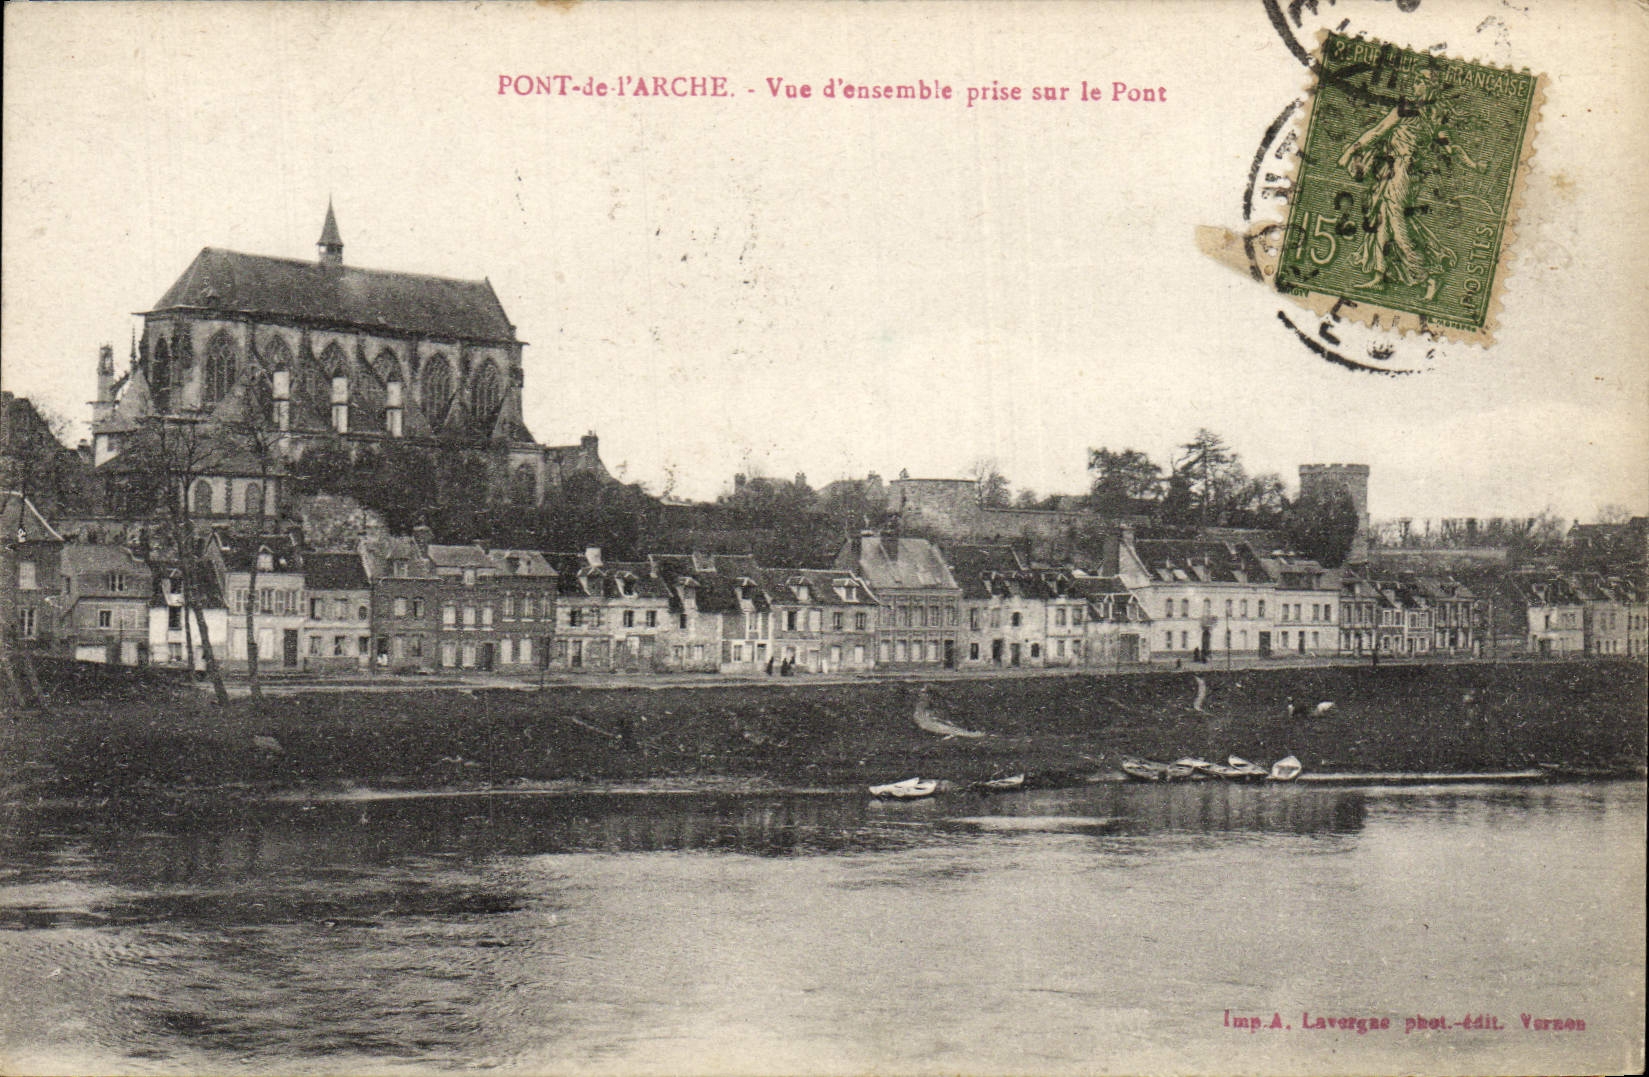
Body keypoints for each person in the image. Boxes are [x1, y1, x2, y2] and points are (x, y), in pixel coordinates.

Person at [1336, 69, 1487, 300]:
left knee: (1397, 225)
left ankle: (1428, 275)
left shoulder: (1410, 110)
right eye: (1415, 81)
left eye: (1419, 82)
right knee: (1383, 219)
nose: (1414, 85)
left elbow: (1377, 132)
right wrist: (1474, 164)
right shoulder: (1436, 115)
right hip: (1401, 173)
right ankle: (1380, 275)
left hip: (1402, 173)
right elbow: (1450, 148)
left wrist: (1349, 152)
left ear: (1430, 87)